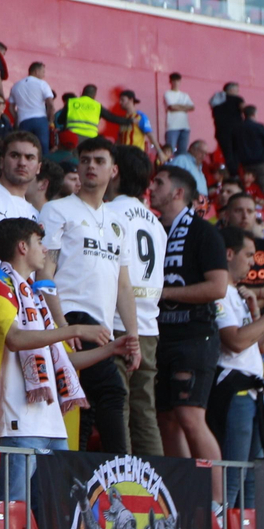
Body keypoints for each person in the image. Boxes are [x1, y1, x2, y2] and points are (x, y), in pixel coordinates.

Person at [0, 217, 135, 494]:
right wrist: (73, 329)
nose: (46, 249)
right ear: (23, 247)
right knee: (13, 514)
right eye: (40, 242)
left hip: (54, 427)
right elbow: (14, 339)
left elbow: (63, 361)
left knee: (52, 518)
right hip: (17, 425)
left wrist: (111, 349)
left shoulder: (37, 298)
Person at [38, 136, 138, 453]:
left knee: (84, 404)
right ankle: (119, 475)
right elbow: (44, 272)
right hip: (70, 314)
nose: (91, 166)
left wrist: (132, 337)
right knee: (111, 392)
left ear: (114, 170)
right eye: (85, 160)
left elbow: (124, 284)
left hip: (102, 323)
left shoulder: (119, 220)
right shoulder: (57, 210)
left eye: (99, 161)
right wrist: (62, 325)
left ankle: (79, 484)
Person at [150, 163, 230, 501]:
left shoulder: (203, 232)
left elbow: (218, 287)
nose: (151, 187)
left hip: (195, 335)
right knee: (166, 419)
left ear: (179, 193)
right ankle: (183, 500)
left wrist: (164, 293)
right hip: (160, 335)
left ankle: (217, 504)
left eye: (159, 182)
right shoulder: (151, 229)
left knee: (189, 416)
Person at [210, 226, 264, 506]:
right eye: (249, 255)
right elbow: (235, 342)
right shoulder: (220, 292)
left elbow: (259, 344)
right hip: (235, 388)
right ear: (229, 254)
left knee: (251, 481)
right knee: (234, 477)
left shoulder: (238, 293)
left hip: (253, 391)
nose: (253, 262)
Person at [107, 146, 167, 456]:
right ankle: (153, 486)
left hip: (119, 323)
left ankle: (123, 481)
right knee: (145, 412)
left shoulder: (110, 213)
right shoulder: (157, 224)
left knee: (119, 407)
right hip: (149, 327)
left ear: (114, 171)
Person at [0, 131, 43, 268]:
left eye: (29, 157)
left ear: (38, 167)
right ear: (2, 162)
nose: (22, 163)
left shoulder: (35, 214)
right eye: (15, 155)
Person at [9, 61, 55, 154]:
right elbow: (50, 104)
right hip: (40, 121)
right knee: (43, 150)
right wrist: (50, 121)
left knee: (24, 149)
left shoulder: (16, 85)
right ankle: (43, 168)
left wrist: (17, 118)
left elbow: (11, 107)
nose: (43, 75)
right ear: (36, 71)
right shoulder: (42, 84)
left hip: (23, 121)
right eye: (43, 72)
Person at [163, 73, 195, 156]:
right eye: (174, 81)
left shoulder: (185, 95)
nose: (176, 83)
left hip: (185, 126)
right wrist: (184, 108)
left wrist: (178, 107)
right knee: (169, 151)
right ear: (170, 82)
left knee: (182, 152)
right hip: (172, 126)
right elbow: (172, 107)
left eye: (178, 81)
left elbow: (192, 107)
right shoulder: (168, 94)